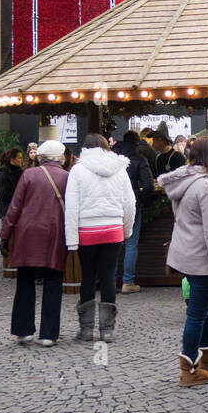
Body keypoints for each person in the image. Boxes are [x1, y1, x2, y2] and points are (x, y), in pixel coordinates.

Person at [161, 136, 208, 387]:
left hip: (190, 255)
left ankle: (207, 356)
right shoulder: (207, 187)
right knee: (197, 313)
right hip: (202, 260)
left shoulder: (188, 181)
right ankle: (189, 369)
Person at [63, 133, 136, 343]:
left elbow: (71, 207)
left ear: (84, 149)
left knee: (87, 276)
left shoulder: (77, 170)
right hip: (112, 229)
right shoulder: (120, 170)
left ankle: (86, 330)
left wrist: (71, 240)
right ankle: (107, 330)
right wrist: (126, 230)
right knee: (108, 277)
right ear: (107, 148)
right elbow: (129, 204)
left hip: (87, 230)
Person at [0, 140, 70, 346]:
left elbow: (14, 207)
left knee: (25, 282)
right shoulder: (67, 177)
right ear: (60, 157)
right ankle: (48, 334)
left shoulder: (28, 175)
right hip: (55, 232)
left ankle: (24, 331)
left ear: (40, 157)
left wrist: (5, 235)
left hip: (27, 233)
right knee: (53, 282)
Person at [115, 130, 155, 293]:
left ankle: (109, 280)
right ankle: (127, 282)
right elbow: (148, 186)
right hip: (132, 203)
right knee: (131, 242)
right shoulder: (139, 159)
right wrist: (142, 200)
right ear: (136, 143)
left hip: (113, 204)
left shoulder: (112, 159)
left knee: (114, 242)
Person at [0, 147, 24, 219]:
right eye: (19, 158)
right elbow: (4, 194)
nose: (21, 160)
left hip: (18, 209)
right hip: (7, 211)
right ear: (12, 160)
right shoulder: (4, 172)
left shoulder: (20, 171)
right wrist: (20, 196)